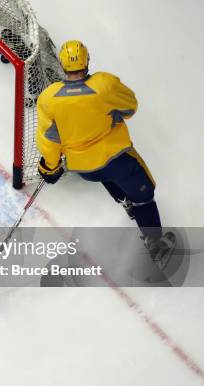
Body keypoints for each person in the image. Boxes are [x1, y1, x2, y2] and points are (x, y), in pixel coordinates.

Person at [35, 40, 174, 266]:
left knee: (102, 173)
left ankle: (126, 202)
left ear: (62, 64)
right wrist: (113, 115)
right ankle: (155, 243)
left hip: (84, 168)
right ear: (87, 60)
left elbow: (49, 139)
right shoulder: (104, 84)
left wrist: (49, 166)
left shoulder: (48, 98)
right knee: (144, 196)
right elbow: (130, 107)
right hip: (116, 158)